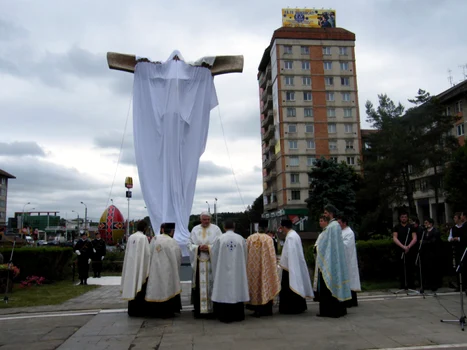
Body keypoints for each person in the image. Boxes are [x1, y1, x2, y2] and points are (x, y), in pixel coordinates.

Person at [315, 205, 351, 318]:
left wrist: (316, 247)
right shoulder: (334, 226)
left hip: (329, 261)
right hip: (333, 259)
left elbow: (324, 244)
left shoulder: (332, 227)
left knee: (328, 286)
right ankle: (337, 309)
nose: (324, 215)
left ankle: (329, 311)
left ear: (330, 213)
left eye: (325, 213)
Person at [211, 220, 249, 323]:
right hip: (238, 270)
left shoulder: (219, 239)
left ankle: (224, 315)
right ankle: (238, 315)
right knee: (237, 288)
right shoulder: (240, 239)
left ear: (224, 227)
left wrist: (216, 269)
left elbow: (213, 256)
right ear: (234, 227)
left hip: (222, 271)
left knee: (224, 290)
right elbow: (245, 255)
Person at [187, 211, 222, 318]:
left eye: (208, 219)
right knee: (198, 285)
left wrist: (209, 248)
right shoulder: (195, 229)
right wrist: (197, 248)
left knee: (212, 284)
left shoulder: (216, 229)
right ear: (200, 219)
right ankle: (199, 310)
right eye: (204, 219)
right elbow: (189, 244)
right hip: (199, 262)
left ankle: (212, 309)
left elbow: (220, 243)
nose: (206, 221)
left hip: (211, 263)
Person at [145, 223, 182, 318]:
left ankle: (155, 311)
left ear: (163, 230)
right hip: (168, 270)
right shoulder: (172, 242)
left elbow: (149, 253)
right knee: (167, 288)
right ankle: (167, 311)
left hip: (155, 270)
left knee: (155, 288)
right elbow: (178, 257)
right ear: (172, 231)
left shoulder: (155, 239)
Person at [246, 220, 281, 317]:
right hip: (265, 268)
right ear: (266, 228)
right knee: (265, 286)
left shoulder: (250, 238)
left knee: (254, 287)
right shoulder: (268, 239)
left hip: (252, 269)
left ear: (258, 227)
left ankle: (255, 309)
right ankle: (266, 310)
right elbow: (272, 255)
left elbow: (246, 254)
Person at [279, 219, 313, 314]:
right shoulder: (294, 235)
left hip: (290, 267)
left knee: (289, 287)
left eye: (281, 227)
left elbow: (290, 253)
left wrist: (285, 262)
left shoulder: (290, 237)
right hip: (293, 265)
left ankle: (290, 308)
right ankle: (298, 306)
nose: (281, 229)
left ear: (284, 227)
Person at [121, 220, 151, 317]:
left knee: (132, 285)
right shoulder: (143, 238)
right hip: (140, 267)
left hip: (131, 266)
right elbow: (147, 254)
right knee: (139, 284)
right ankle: (139, 310)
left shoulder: (131, 237)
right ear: (145, 228)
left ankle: (131, 310)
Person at [337, 215, 361, 307]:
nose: (338, 224)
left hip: (348, 260)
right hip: (343, 260)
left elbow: (347, 245)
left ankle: (351, 301)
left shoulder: (349, 232)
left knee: (350, 279)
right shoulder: (341, 231)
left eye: (339, 222)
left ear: (344, 223)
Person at [393, 212, 417, 289]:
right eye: (402, 217)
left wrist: (408, 246)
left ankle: (411, 284)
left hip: (410, 249)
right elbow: (395, 238)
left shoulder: (411, 227)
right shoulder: (397, 227)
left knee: (410, 267)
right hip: (400, 249)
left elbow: (415, 238)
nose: (404, 218)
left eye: (405, 217)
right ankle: (403, 284)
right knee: (401, 268)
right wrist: (403, 246)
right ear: (400, 218)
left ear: (407, 218)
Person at [419, 218, 442, 292]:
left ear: (431, 224)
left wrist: (424, 242)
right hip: (425, 253)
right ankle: (427, 284)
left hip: (433, 253)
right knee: (426, 269)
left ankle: (434, 285)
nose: (425, 224)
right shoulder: (424, 231)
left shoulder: (435, 231)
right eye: (425, 223)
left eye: (426, 223)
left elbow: (433, 241)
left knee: (433, 269)